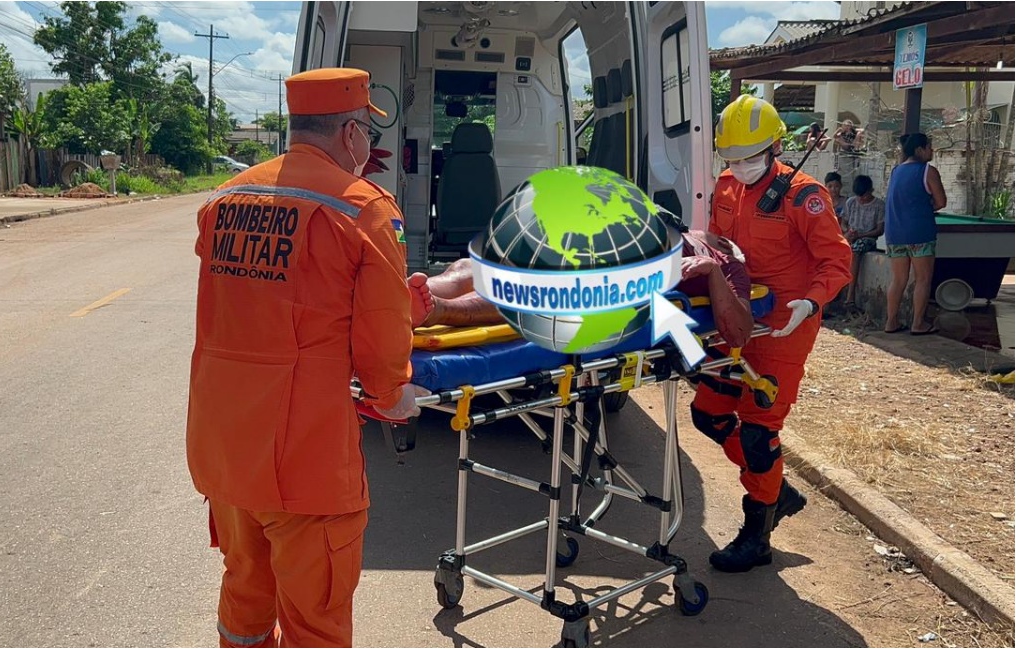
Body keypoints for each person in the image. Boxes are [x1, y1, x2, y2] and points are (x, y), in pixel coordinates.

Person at [187, 67, 424, 648]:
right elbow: (379, 340)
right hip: (306, 462)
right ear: (350, 132)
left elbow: (260, 301)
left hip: (226, 450)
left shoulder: (225, 198)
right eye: (368, 133)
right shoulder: (363, 208)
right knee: (315, 617)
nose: (369, 148)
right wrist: (397, 398)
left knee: (245, 592)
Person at [700, 95, 852, 573]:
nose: (740, 166)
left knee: (760, 434)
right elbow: (715, 248)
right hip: (737, 318)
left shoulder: (803, 195)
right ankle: (776, 488)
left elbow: (837, 260)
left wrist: (810, 302)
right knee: (709, 414)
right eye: (732, 158)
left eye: (750, 156)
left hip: (785, 326)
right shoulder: (726, 186)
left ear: (775, 146)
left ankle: (757, 531)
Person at [407, 229, 756, 349]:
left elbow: (739, 332)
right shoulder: (689, 230)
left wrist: (712, 271)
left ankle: (436, 309)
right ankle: (405, 294)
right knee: (472, 266)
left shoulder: (730, 268)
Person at [884, 132, 947, 335]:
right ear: (919, 149)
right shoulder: (928, 171)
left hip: (895, 233)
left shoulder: (896, 171)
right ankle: (918, 323)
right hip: (920, 232)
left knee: (899, 279)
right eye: (929, 147)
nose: (932, 150)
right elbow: (941, 202)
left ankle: (891, 321)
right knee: (923, 279)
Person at [839, 174, 886, 308]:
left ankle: (850, 297)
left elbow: (879, 230)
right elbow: (843, 223)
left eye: (864, 196)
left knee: (856, 249)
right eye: (859, 196)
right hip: (851, 235)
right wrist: (848, 232)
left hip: (868, 238)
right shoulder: (851, 202)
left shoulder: (879, 205)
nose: (861, 199)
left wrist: (861, 235)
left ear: (870, 191)